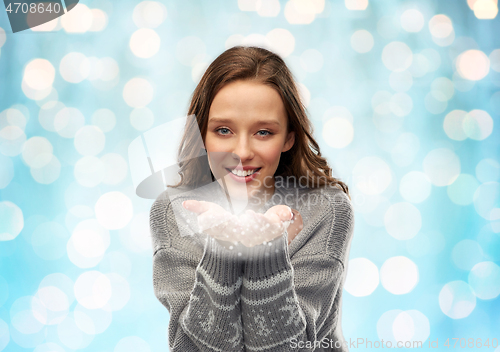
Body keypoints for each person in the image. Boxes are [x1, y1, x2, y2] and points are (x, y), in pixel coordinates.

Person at [149, 46, 355, 352]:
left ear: (289, 136)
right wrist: (222, 249)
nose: (242, 152)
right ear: (201, 135)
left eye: (263, 132)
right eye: (222, 130)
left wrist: (267, 251)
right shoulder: (173, 211)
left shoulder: (326, 208)